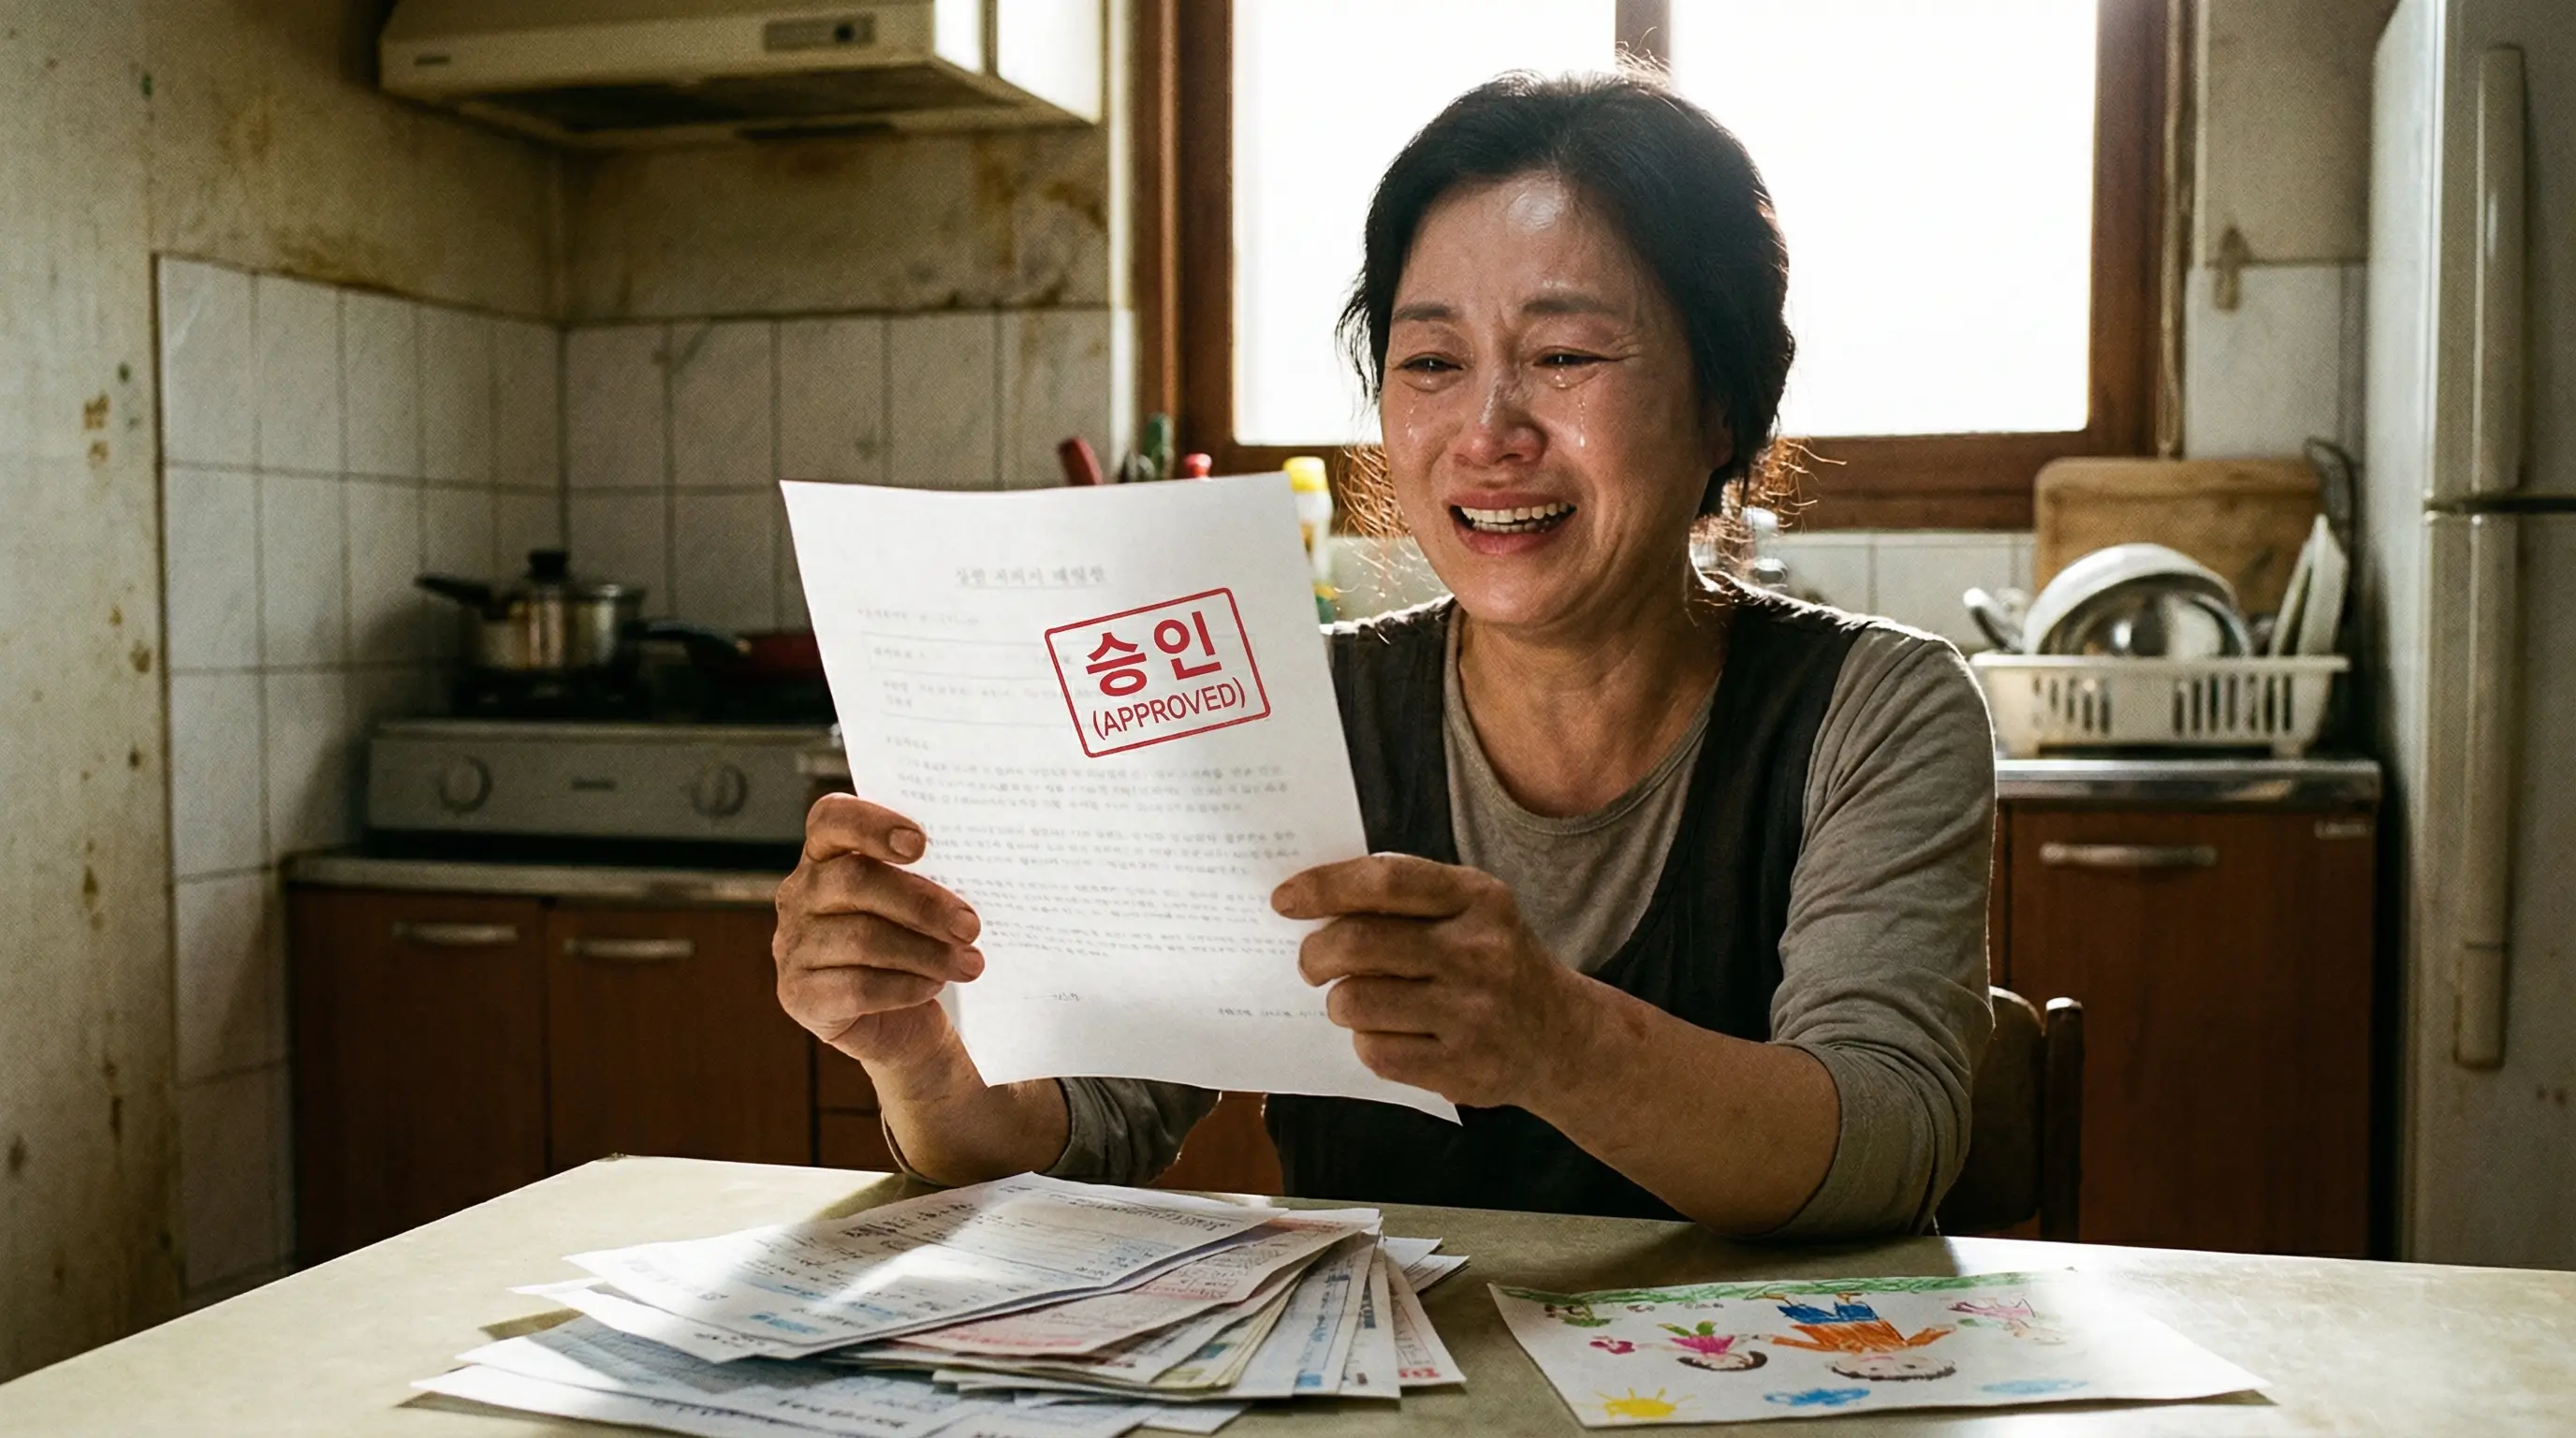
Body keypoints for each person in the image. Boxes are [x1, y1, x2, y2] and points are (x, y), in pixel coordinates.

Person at [772, 67, 1995, 1238]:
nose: (1488, 431)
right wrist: (921, 1055)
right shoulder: (1304, 707)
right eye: (1430, 364)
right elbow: (1098, 1123)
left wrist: (1555, 1039)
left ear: (1725, 398)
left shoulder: (1876, 711)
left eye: (1563, 356)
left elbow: (1894, 1140)